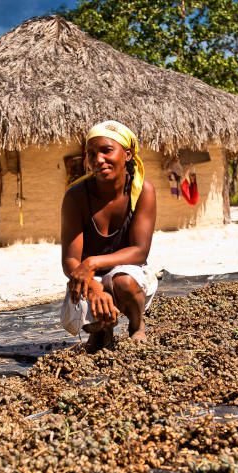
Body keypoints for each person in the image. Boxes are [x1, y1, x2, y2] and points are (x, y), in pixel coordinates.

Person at [60, 121, 157, 351]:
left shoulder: (142, 190)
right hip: (88, 276)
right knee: (85, 299)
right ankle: (101, 332)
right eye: (91, 154)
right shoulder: (76, 197)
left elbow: (139, 251)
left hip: (126, 272)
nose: (98, 159)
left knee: (123, 282)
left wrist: (93, 262)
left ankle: (137, 326)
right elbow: (69, 260)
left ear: (127, 154)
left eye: (106, 150)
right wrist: (94, 289)